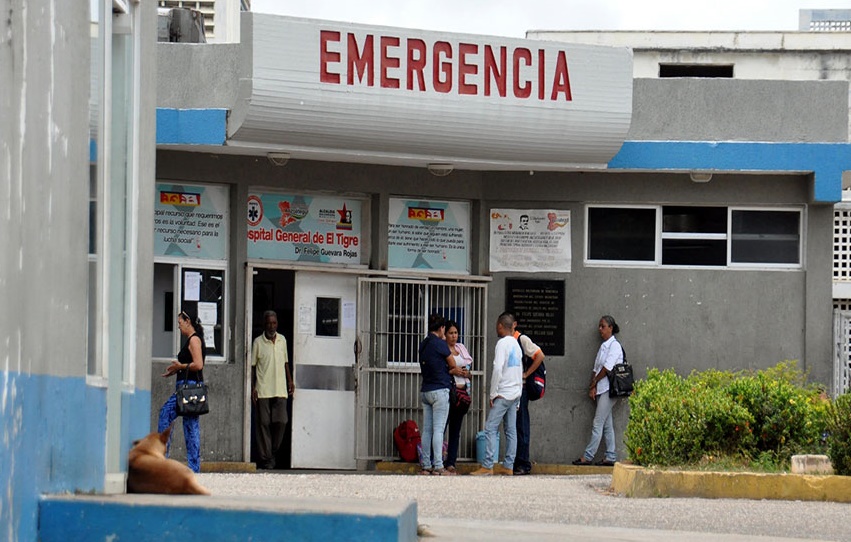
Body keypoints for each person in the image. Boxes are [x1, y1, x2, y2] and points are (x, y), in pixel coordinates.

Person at [471, 313, 523, 476]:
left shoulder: (502, 344)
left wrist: (492, 394)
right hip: (515, 393)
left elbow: (498, 369)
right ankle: (508, 465)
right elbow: (519, 370)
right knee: (511, 430)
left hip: (503, 393)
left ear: (500, 325)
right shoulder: (516, 344)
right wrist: (519, 396)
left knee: (490, 428)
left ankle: (488, 465)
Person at [158, 309, 207, 473]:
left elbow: (198, 365)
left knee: (166, 414)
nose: (178, 326)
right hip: (188, 387)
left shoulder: (194, 340)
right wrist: (175, 370)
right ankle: (194, 466)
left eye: (180, 323)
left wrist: (180, 366)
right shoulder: (192, 340)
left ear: (188, 322)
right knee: (190, 424)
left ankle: (162, 459)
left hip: (189, 389)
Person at [573, 315, 623, 467]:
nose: (600, 329)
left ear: (611, 328)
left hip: (610, 389)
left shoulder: (615, 346)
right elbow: (596, 368)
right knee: (607, 424)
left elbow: (607, 368)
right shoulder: (603, 346)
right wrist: (593, 386)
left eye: (603, 326)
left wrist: (594, 383)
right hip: (601, 389)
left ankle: (588, 456)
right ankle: (610, 456)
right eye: (599, 326)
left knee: (598, 422)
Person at [418, 313, 461, 476]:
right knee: (438, 429)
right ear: (442, 328)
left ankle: (426, 465)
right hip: (440, 390)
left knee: (427, 430)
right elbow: (453, 363)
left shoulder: (424, 344)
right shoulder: (440, 344)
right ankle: (438, 466)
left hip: (426, 390)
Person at [252, 310, 295, 470]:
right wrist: (252, 388)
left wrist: (290, 380)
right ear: (264, 324)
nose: (272, 326)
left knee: (281, 421)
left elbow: (285, 363)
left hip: (280, 387)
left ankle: (273, 452)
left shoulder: (282, 340)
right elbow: (252, 367)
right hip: (263, 388)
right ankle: (267, 459)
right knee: (263, 423)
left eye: (274, 323)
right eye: (269, 323)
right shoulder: (257, 342)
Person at [510, 315, 545, 475]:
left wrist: (526, 374)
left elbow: (539, 355)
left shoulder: (521, 340)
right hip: (513, 388)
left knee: (521, 425)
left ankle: (523, 463)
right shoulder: (508, 342)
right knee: (514, 426)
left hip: (522, 389)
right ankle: (516, 460)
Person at [443, 320, 474, 475]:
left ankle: (451, 462)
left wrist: (465, 373)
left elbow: (469, 370)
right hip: (449, 392)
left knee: (456, 429)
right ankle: (439, 459)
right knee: (441, 427)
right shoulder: (442, 349)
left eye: (456, 333)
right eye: (451, 333)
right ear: (445, 334)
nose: (454, 336)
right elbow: (441, 371)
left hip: (462, 393)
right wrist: (453, 372)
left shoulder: (461, 348)